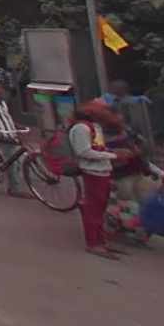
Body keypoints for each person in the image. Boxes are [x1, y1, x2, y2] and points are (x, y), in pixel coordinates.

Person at [68, 96, 122, 259]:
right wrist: (113, 156)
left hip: (102, 170)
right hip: (92, 172)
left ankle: (101, 241)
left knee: (100, 208)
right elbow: (84, 151)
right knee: (94, 209)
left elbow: (98, 148)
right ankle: (94, 243)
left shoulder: (95, 127)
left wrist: (110, 155)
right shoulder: (81, 128)